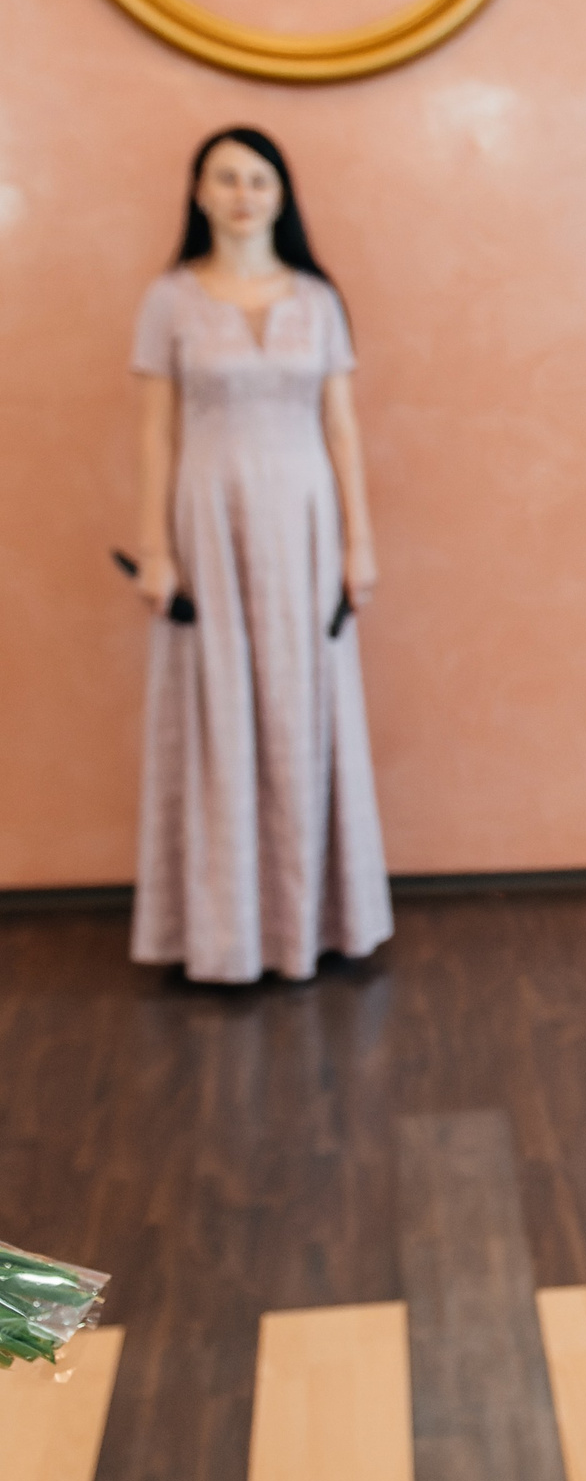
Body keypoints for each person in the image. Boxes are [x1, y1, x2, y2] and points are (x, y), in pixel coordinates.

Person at [128, 127, 392, 984]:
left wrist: (358, 540)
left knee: (305, 708)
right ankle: (223, 933)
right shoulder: (168, 299)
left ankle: (315, 921)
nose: (243, 193)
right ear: (199, 192)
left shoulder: (317, 299)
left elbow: (342, 428)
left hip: (305, 528)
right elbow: (155, 434)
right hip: (207, 524)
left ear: (280, 195)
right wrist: (154, 548)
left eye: (259, 179)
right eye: (227, 178)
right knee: (216, 714)